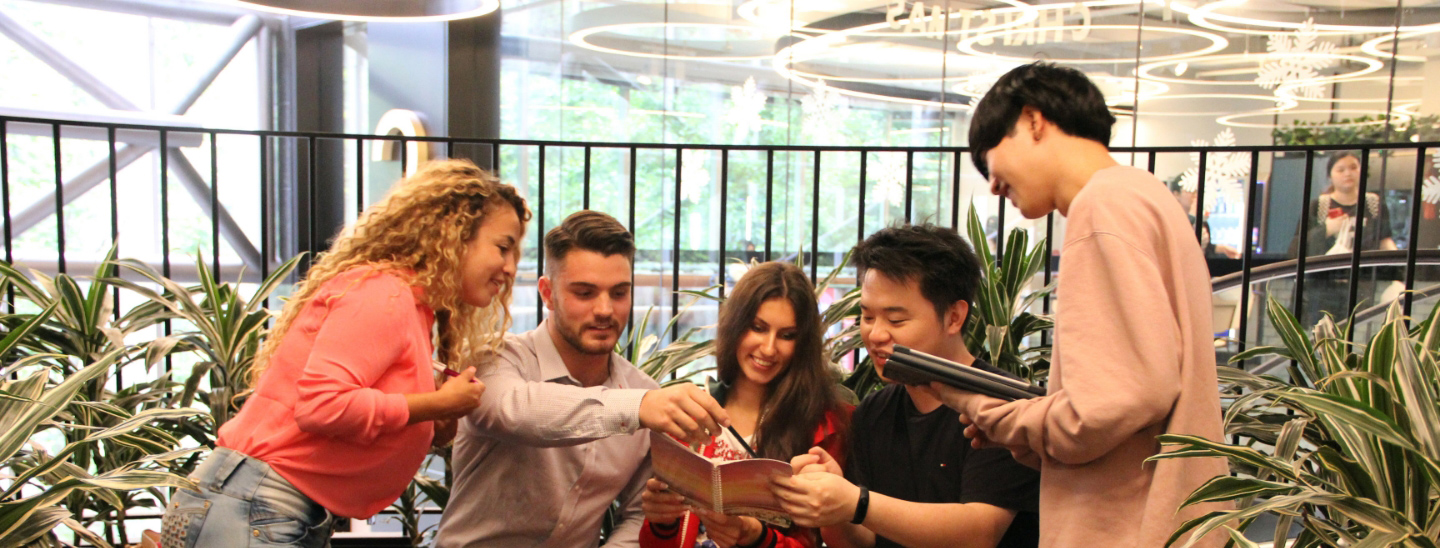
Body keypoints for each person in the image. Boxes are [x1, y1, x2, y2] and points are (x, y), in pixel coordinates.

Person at [932, 61, 1228, 547]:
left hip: (1126, 526)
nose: (991, 184)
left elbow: (1109, 407)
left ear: (1033, 120)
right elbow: (1135, 398)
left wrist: (981, 406)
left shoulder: (1102, 207)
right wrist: (1024, 434)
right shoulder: (1144, 194)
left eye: (989, 156)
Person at [162, 159, 529, 547]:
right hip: (257, 505)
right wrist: (432, 405)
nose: (510, 268)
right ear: (454, 236)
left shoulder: (410, 305)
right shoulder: (385, 295)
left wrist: (432, 419)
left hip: (261, 505)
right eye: (503, 248)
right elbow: (321, 405)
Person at [436, 210, 731, 548]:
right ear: (547, 294)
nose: (605, 309)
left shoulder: (643, 394)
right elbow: (514, 412)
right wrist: (638, 407)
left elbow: (640, 513)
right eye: (585, 293)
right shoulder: (496, 360)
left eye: (619, 293)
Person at [769, 224, 1040, 548]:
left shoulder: (1003, 405)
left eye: (896, 320)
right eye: (868, 317)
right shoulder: (874, 411)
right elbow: (861, 542)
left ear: (954, 317)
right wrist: (834, 504)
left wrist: (857, 503)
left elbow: (979, 533)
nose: (876, 334)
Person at [639, 261, 851, 548]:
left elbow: (820, 542)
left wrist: (756, 536)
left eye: (787, 335)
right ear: (735, 325)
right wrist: (663, 520)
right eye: (758, 328)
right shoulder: (693, 411)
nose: (768, 348)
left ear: (802, 343)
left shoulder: (822, 426)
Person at [1287, 150, 1398, 326]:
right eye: (1341, 169)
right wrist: (1326, 229)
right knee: (1324, 335)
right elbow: (1297, 247)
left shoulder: (1373, 205)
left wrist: (1399, 276)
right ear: (1330, 175)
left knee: (1356, 330)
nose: (1348, 173)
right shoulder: (1319, 206)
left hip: (1360, 285)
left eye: (1353, 167)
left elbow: (1385, 241)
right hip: (1323, 286)